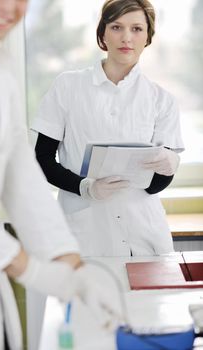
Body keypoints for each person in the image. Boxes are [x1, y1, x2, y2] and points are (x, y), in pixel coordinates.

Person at [0, 1, 121, 349]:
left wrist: (72, 267)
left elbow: (19, 173)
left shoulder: (1, 67)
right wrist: (30, 270)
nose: (8, 7)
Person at [32, 0, 184, 257]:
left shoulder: (162, 99)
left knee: (149, 297)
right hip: (85, 231)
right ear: (102, 33)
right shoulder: (68, 87)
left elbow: (154, 184)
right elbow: (42, 158)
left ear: (148, 36)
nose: (127, 38)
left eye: (137, 29)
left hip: (143, 231)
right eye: (116, 27)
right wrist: (85, 187)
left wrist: (170, 164)